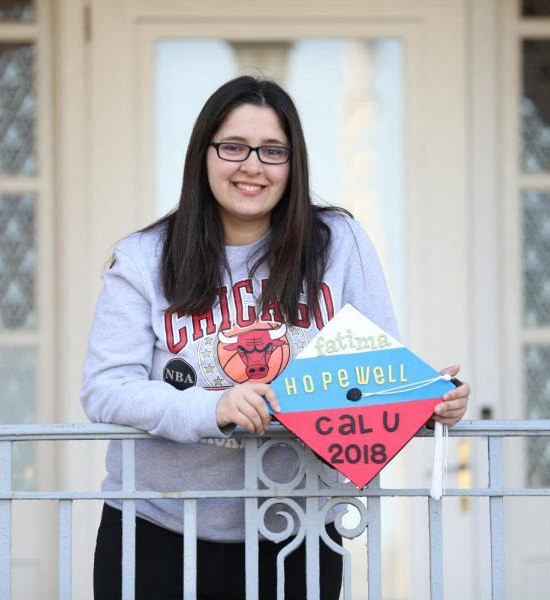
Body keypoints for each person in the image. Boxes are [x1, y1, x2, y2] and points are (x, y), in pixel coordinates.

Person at [81, 75, 470, 599]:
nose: (253, 166)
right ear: (204, 154)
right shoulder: (143, 258)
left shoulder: (338, 243)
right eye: (234, 147)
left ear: (293, 164)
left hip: (298, 529)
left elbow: (373, 369)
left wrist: (423, 398)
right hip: (157, 530)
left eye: (272, 151)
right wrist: (214, 407)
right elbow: (106, 389)